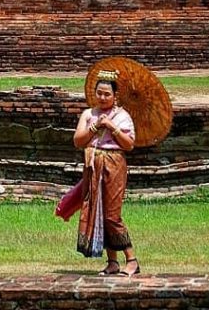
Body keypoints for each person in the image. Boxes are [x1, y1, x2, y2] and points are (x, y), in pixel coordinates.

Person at [73, 69, 140, 276]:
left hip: (113, 165)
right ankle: (112, 262)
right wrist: (94, 128)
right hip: (93, 165)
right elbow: (77, 141)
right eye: (99, 93)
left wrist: (111, 127)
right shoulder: (88, 114)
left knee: (112, 215)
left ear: (115, 96)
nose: (102, 97)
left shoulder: (122, 117)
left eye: (107, 94)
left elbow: (129, 145)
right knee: (99, 213)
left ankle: (132, 260)